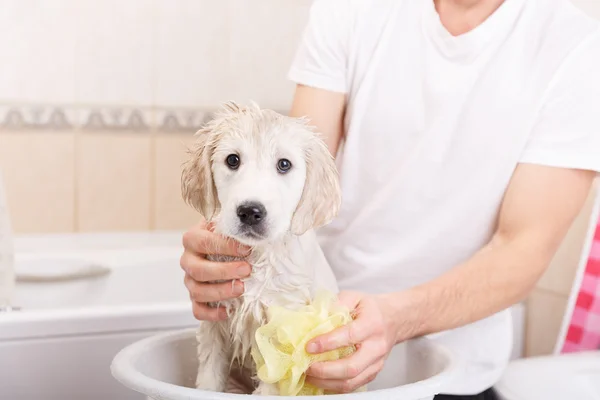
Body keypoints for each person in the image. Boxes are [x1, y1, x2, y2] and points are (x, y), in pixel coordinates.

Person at [180, 0, 600, 398]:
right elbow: (293, 178)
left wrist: (399, 318)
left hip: (452, 369)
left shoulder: (575, 46)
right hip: (314, 337)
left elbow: (522, 250)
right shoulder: (350, 9)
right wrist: (223, 252)